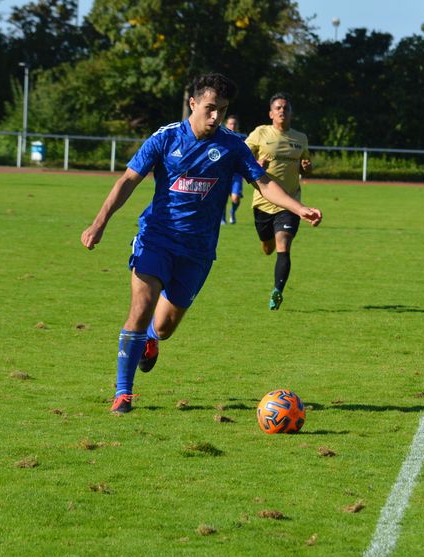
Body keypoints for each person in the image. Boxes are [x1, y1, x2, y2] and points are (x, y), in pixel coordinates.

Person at [80, 73, 323, 414]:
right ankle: (124, 392)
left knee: (164, 326)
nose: (215, 117)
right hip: (157, 237)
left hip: (198, 250)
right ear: (192, 104)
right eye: (210, 108)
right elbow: (128, 180)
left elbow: (264, 184)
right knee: (141, 306)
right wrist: (99, 223)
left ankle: (150, 340)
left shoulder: (231, 146)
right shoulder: (165, 138)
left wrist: (299, 207)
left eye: (221, 110)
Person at [245, 92, 313, 310]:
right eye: (278, 107)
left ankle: (277, 291)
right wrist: (257, 164)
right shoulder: (260, 133)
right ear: (271, 113)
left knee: (284, 244)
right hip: (263, 202)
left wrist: (307, 168)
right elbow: (242, 158)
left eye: (285, 107)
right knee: (268, 247)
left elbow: (307, 165)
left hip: (290, 203)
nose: (282, 110)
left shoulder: (300, 138)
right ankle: (267, 241)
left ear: (291, 113)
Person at [222, 114, 245, 224]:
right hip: (223, 174)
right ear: (226, 125)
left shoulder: (243, 138)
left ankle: (232, 212)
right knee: (222, 199)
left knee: (235, 198)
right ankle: (222, 219)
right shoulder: (221, 137)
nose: (233, 126)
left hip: (237, 175)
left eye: (235, 124)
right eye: (231, 123)